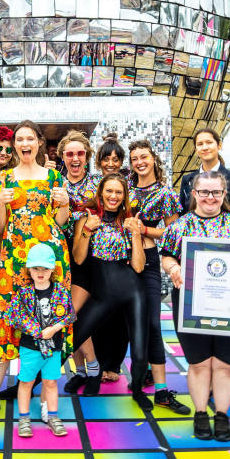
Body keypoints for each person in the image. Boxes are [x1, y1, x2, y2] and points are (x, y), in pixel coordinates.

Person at [160, 171, 230, 440]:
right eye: (204, 192)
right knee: (199, 364)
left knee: (226, 365)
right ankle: (201, 413)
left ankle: (222, 415)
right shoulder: (179, 227)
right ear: (194, 194)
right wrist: (173, 269)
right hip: (192, 305)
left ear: (224, 194)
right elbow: (166, 257)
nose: (210, 198)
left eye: (216, 192)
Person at [0, 120, 72, 420]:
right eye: (19, 139)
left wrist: (65, 204)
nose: (24, 144)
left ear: (38, 143)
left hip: (50, 258)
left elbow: (60, 222)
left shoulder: (55, 176)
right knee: (5, 319)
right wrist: (1, 206)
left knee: (50, 320)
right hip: (15, 260)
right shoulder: (4, 178)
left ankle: (48, 399)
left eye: (29, 138)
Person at [72, 173, 152, 409]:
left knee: (139, 348)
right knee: (71, 338)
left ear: (125, 196)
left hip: (132, 291)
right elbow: (78, 258)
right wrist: (87, 229)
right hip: (103, 293)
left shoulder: (129, 222)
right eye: (109, 191)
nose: (113, 196)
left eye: (119, 192)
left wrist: (136, 234)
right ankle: (29, 384)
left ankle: (137, 391)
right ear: (100, 193)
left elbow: (138, 266)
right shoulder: (86, 218)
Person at [128, 139, 189, 414]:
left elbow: (174, 232)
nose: (139, 162)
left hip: (151, 261)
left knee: (153, 323)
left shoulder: (166, 194)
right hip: (123, 260)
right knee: (129, 321)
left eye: (144, 157)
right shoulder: (125, 189)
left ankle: (162, 390)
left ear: (154, 159)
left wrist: (144, 230)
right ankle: (140, 371)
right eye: (135, 159)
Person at [10, 242, 75, 437]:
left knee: (51, 383)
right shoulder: (23, 293)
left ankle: (53, 416)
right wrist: (38, 331)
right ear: (28, 269)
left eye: (45, 268)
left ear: (52, 269)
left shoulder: (60, 292)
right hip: (30, 348)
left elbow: (69, 314)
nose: (40, 272)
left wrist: (54, 328)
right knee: (26, 383)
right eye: (36, 268)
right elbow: (15, 316)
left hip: (53, 348)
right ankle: (24, 418)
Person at [57, 130, 102, 396]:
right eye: (70, 153)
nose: (75, 158)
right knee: (68, 317)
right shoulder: (55, 183)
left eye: (80, 153)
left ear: (87, 157)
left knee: (71, 316)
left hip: (89, 262)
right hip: (60, 261)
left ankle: (94, 367)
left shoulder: (98, 184)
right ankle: (80, 371)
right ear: (63, 157)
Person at [91, 133, 131, 382]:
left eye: (116, 159)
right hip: (95, 259)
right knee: (97, 316)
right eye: (106, 159)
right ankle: (97, 362)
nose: (111, 164)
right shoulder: (92, 185)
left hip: (121, 258)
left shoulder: (129, 185)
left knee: (120, 317)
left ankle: (114, 364)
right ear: (99, 161)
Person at [178, 128, 230, 214]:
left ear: (219, 145)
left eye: (209, 142)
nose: (204, 147)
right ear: (196, 150)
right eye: (200, 144)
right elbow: (182, 214)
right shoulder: (187, 179)